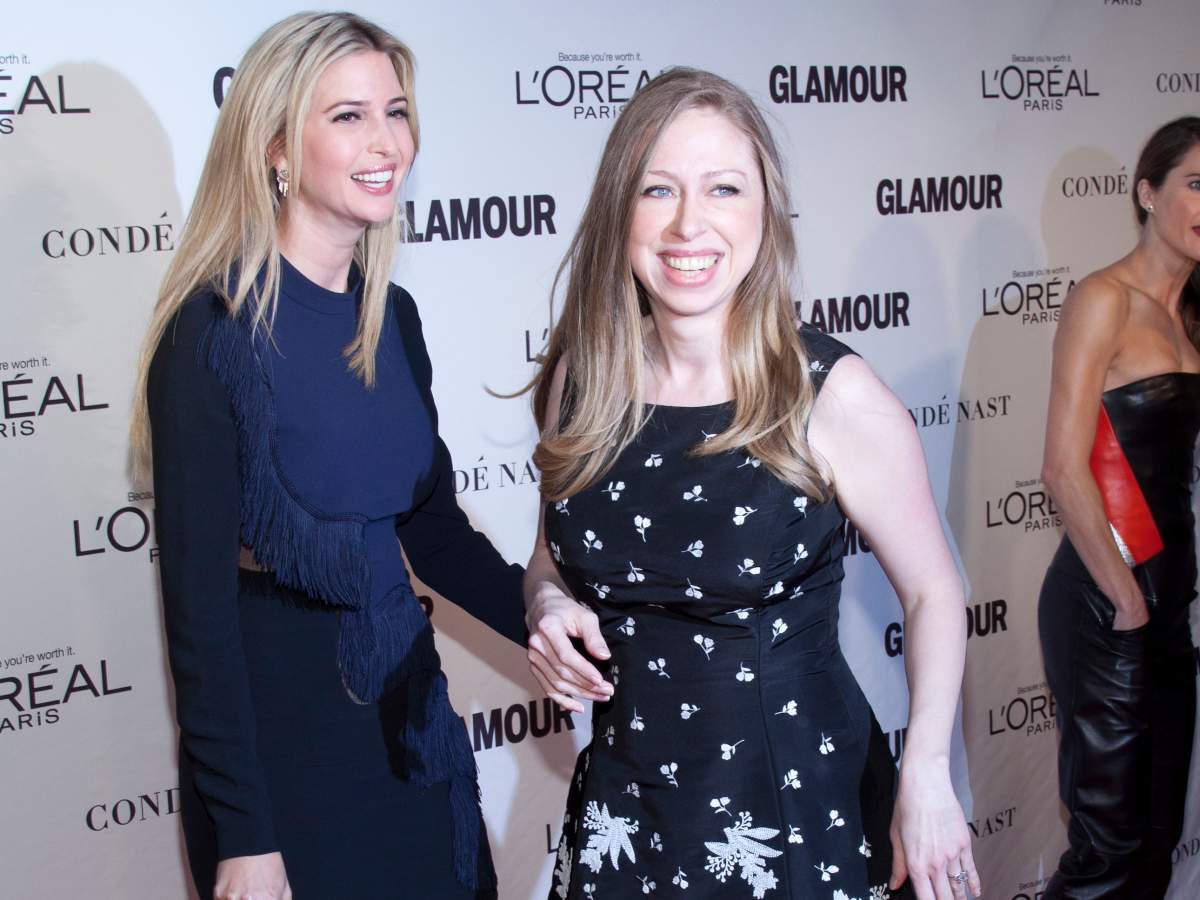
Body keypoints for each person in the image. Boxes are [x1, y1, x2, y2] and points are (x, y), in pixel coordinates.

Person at [523, 67, 977, 900]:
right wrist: (547, 605)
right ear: (618, 210)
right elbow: (550, 557)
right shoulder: (578, 386)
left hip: (795, 809)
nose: (689, 224)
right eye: (657, 190)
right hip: (626, 813)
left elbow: (934, 592)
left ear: (765, 214)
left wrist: (929, 775)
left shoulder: (831, 396)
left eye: (723, 188)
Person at [129, 13, 524, 900]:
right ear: (274, 145)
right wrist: (244, 836)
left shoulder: (397, 319)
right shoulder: (213, 336)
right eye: (347, 117)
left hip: (412, 737)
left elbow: (432, 532)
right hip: (286, 772)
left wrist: (540, 611)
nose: (387, 142)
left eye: (396, 111)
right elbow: (198, 620)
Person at [1039, 116, 1200, 898]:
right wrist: (1129, 601)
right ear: (1147, 193)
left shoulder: (1188, 315)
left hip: (1169, 614)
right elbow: (1063, 469)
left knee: (1155, 845)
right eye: (1197, 184)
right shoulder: (1104, 298)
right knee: (1105, 857)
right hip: (1108, 602)